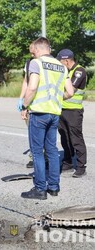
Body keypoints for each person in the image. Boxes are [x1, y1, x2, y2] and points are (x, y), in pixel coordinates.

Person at [20, 37, 74, 200]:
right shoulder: (61, 66)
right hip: (54, 113)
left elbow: (33, 86)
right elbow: (70, 92)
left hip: (39, 113)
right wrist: (56, 98)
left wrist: (24, 105)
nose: (33, 54)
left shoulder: (36, 63)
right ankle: (54, 187)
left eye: (33, 51)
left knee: (37, 152)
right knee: (51, 150)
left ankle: (40, 189)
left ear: (37, 49)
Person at [56, 49, 87, 178]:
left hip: (74, 111)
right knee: (65, 138)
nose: (59, 64)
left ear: (66, 60)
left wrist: (55, 93)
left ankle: (81, 166)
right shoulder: (65, 71)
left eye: (60, 61)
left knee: (76, 139)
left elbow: (71, 90)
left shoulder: (79, 71)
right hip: (62, 110)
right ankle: (68, 162)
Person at [17, 42, 35, 168]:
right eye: (30, 50)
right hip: (29, 101)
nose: (31, 53)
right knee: (31, 130)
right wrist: (21, 99)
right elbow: (26, 82)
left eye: (32, 50)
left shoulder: (45, 63)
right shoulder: (28, 63)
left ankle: (44, 156)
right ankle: (33, 156)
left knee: (40, 132)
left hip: (41, 102)